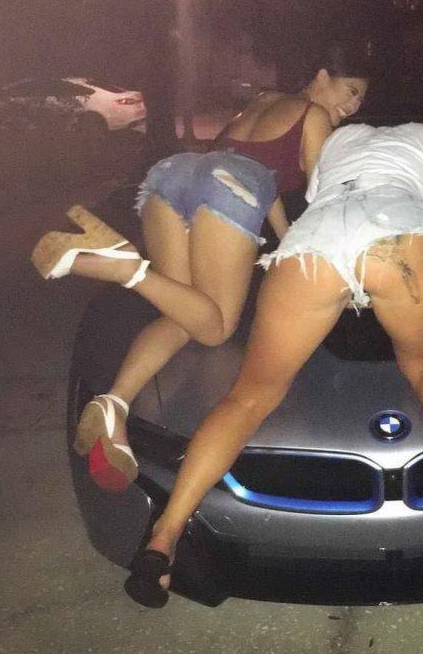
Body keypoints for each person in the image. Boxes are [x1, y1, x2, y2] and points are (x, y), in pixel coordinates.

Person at [123, 122, 423, 607]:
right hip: (397, 233)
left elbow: (321, 206)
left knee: (249, 397)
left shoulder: (341, 137)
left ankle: (164, 537)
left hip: (315, 242)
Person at [31, 44, 369, 492]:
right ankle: (125, 268)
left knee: (185, 314)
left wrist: (285, 239)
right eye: (351, 91)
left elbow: (252, 172)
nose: (353, 105)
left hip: (174, 176)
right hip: (228, 189)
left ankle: (113, 405)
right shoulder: (315, 115)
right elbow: (321, 195)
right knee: (217, 329)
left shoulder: (260, 103)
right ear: (322, 76)